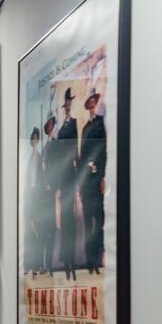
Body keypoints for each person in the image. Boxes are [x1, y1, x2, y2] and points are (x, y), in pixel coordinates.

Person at [48, 92, 80, 279]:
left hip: (72, 176)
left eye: (69, 104)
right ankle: (66, 259)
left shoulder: (73, 124)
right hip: (63, 177)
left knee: (72, 221)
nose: (67, 107)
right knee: (65, 220)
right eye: (65, 104)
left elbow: (74, 149)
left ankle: (71, 261)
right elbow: (59, 157)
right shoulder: (59, 131)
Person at [78, 90, 107, 275]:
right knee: (88, 223)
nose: (92, 105)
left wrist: (100, 171)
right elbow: (82, 154)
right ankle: (89, 261)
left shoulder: (99, 123)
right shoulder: (85, 127)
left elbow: (103, 149)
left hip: (96, 180)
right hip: (86, 182)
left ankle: (96, 259)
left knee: (98, 221)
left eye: (94, 102)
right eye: (89, 103)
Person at [24, 127, 51, 274]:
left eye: (35, 138)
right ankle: (31, 264)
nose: (33, 141)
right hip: (30, 196)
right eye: (32, 138)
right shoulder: (28, 159)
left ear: (38, 140)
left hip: (39, 197)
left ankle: (39, 264)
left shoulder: (41, 159)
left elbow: (44, 179)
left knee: (39, 231)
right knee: (31, 230)